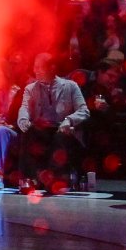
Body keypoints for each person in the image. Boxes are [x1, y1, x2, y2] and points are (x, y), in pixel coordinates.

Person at [16, 52, 90, 194]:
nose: (35, 71)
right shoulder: (31, 89)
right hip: (42, 131)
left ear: (52, 68)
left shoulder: (70, 86)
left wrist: (69, 120)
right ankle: (29, 179)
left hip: (63, 129)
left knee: (60, 136)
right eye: (34, 67)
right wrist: (23, 120)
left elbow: (84, 111)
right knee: (29, 133)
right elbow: (24, 108)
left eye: (39, 67)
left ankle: (53, 179)